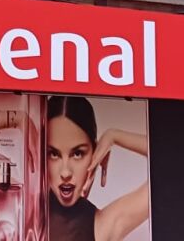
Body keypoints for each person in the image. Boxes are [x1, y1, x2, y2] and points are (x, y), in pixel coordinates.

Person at [46, 95, 149, 241]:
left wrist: (114, 136)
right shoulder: (20, 205)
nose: (65, 172)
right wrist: (22, 120)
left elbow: (171, 164)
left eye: (77, 154)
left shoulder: (102, 226)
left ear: (95, 153)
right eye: (54, 154)